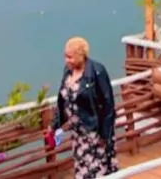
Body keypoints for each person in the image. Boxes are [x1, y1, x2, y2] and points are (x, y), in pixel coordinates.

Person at [49, 36, 118, 178]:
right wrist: (55, 125)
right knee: (82, 171)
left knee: (98, 171)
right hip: (78, 135)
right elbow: (62, 100)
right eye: (65, 56)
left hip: (95, 134)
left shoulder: (97, 71)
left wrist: (105, 135)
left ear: (81, 56)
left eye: (70, 57)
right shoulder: (68, 71)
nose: (66, 60)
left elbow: (108, 105)